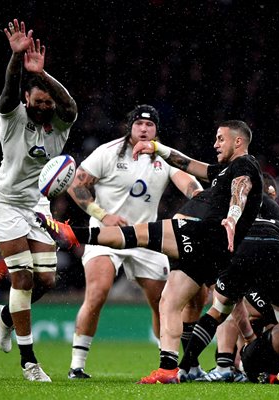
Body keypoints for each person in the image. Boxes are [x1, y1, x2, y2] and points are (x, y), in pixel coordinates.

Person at [38, 120, 263, 384]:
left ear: (238, 142)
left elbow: (241, 189)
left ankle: (72, 234)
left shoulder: (244, 165)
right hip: (215, 251)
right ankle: (169, 369)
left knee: (138, 234)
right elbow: (190, 165)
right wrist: (157, 147)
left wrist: (233, 217)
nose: (215, 144)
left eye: (220, 139)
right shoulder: (225, 169)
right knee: (169, 301)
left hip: (207, 235)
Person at [64, 104, 202, 379]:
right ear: (131, 127)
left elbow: (190, 184)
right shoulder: (108, 152)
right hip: (106, 234)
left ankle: (170, 365)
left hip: (145, 239)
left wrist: (200, 201)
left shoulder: (164, 157)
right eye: (139, 124)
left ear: (156, 130)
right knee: (99, 291)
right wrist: (103, 215)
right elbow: (76, 184)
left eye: (149, 125)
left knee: (163, 301)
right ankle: (77, 366)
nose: (144, 129)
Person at [0, 18, 78, 382]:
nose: (42, 107)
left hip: (37, 205)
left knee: (47, 281)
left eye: (46, 103)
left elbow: (70, 104)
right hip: (5, 202)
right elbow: (9, 91)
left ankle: (5, 316)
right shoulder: (13, 117)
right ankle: (30, 363)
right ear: (28, 100)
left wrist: (44, 73)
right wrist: (16, 59)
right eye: (37, 101)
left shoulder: (59, 122)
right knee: (21, 278)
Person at [178, 196, 279, 385]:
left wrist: (217, 279)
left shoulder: (234, 225)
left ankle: (184, 368)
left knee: (217, 311)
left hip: (240, 254)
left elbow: (217, 253)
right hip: (276, 255)